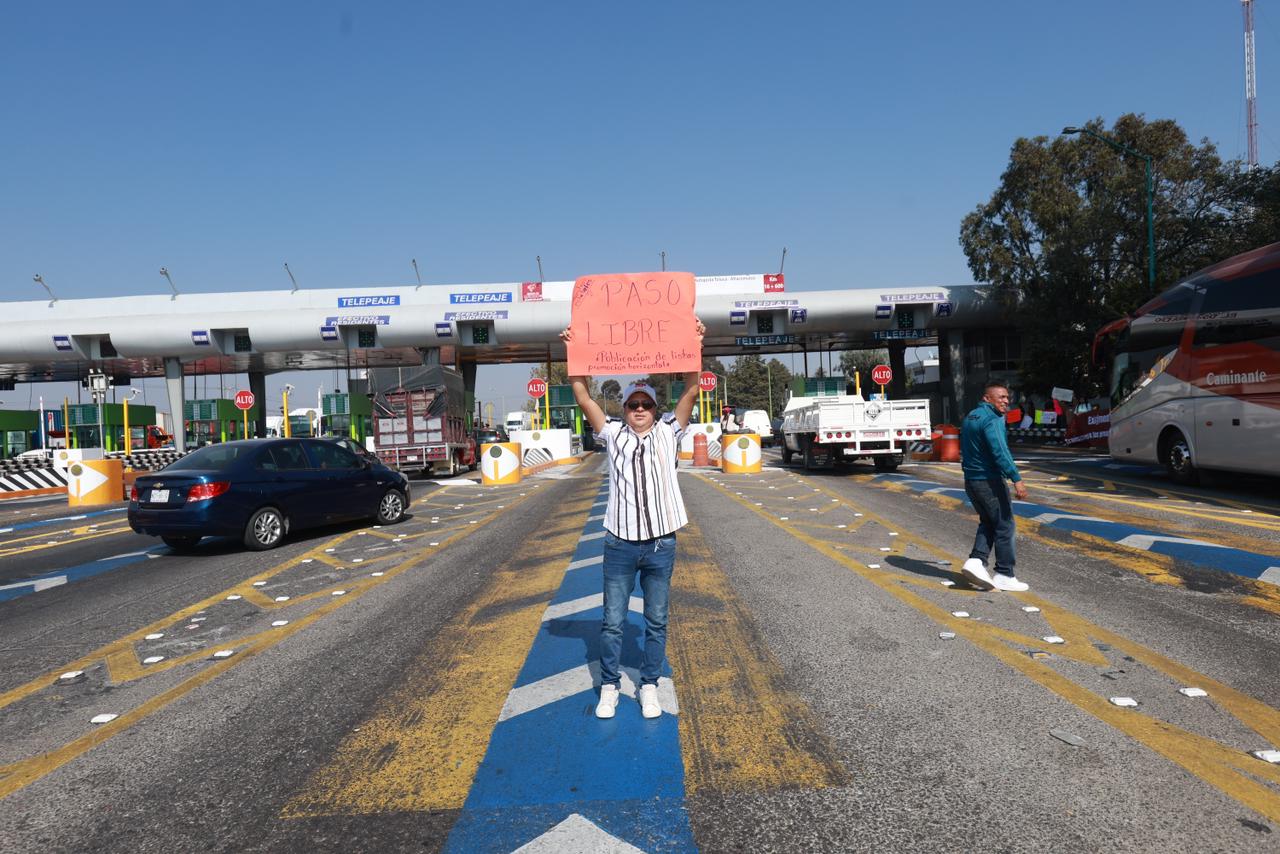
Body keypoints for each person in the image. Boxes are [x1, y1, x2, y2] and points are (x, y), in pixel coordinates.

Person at [561, 319, 704, 720]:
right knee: (612, 621)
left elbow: (692, 388)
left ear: (655, 410)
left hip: (661, 544)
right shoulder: (612, 435)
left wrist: (695, 341)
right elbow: (584, 396)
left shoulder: (669, 432)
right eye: (632, 404)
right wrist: (576, 353)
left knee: (656, 621)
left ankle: (649, 685)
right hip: (620, 544)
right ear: (623, 409)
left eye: (645, 404)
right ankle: (609, 685)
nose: (639, 410)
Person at [959, 382, 1030, 592]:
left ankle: (976, 561)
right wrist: (1016, 478)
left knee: (989, 522)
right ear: (987, 398)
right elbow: (1000, 451)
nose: (1006, 402)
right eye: (1001, 397)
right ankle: (1004, 574)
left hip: (971, 480)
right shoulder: (993, 418)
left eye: (1007, 398)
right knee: (1005, 525)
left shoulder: (971, 416)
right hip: (989, 480)